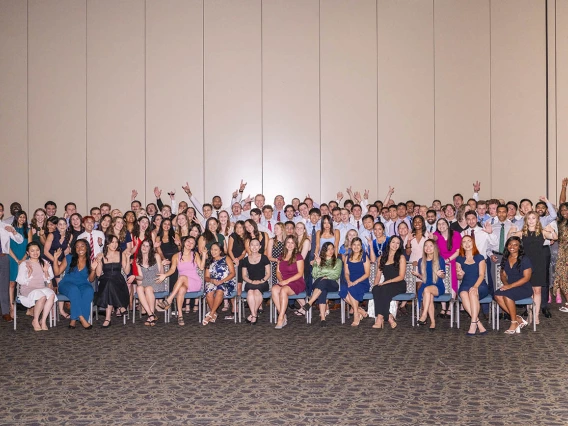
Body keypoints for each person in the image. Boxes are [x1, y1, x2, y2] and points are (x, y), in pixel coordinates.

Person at [508, 211, 556, 325]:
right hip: (526, 264)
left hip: (539, 263)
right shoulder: (522, 232)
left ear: (537, 220)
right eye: (529, 218)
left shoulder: (542, 232)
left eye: (533, 218)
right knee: (529, 291)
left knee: (537, 290)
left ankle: (536, 315)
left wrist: (551, 229)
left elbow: (555, 237)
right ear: (526, 220)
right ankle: (530, 313)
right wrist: (511, 231)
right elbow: (510, 238)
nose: (531, 220)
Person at [156, 236, 206, 326]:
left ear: (194, 246)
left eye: (192, 243)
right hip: (183, 283)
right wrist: (165, 275)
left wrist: (205, 255)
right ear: (184, 242)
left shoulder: (195, 254)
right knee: (182, 289)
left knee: (182, 277)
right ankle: (180, 315)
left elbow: (201, 267)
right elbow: (172, 270)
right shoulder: (176, 256)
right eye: (188, 241)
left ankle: (169, 300)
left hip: (194, 282)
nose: (190, 244)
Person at [52, 240, 95, 329]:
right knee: (74, 290)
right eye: (77, 246)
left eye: (82, 246)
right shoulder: (68, 258)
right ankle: (82, 318)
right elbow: (57, 272)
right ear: (74, 249)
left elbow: (91, 279)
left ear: (86, 247)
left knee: (89, 291)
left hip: (83, 284)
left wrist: (93, 269)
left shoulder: (90, 261)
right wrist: (55, 259)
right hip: (67, 284)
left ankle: (73, 319)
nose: (80, 248)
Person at [494, 237, 533, 334]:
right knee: (497, 295)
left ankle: (513, 322)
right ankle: (517, 318)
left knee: (507, 295)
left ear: (519, 247)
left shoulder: (525, 259)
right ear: (507, 246)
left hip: (524, 287)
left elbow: (526, 278)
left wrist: (510, 287)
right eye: (510, 244)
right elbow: (502, 275)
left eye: (515, 245)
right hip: (511, 286)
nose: (512, 247)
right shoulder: (506, 258)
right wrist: (507, 285)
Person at [15, 241, 57, 331]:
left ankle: (43, 320)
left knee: (51, 294)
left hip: (41, 288)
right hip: (28, 289)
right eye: (32, 251)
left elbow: (48, 279)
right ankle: (35, 320)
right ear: (28, 253)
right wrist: (29, 273)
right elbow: (21, 281)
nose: (35, 253)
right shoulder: (24, 264)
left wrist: (45, 271)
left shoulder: (44, 262)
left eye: (37, 250)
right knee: (42, 296)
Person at [301, 242, 342, 326]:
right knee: (323, 288)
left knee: (323, 281)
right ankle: (323, 318)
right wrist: (318, 265)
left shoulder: (338, 261)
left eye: (332, 249)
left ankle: (310, 302)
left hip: (332, 283)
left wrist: (326, 276)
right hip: (319, 283)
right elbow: (315, 275)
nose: (331, 251)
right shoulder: (318, 260)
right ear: (324, 251)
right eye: (328, 249)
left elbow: (336, 274)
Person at [456, 235, 489, 336]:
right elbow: (459, 277)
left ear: (473, 243)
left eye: (469, 241)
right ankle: (478, 323)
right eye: (464, 242)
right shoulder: (459, 259)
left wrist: (475, 287)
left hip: (479, 284)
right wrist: (460, 274)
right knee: (463, 294)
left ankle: (473, 324)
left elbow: (481, 275)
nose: (467, 244)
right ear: (462, 245)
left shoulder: (480, 257)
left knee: (472, 293)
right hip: (465, 284)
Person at [371, 236, 406, 329]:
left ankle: (380, 318)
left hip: (398, 284)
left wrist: (387, 282)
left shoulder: (401, 257)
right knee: (376, 289)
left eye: (398, 243)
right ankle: (388, 316)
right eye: (393, 242)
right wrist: (375, 287)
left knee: (384, 289)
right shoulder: (382, 257)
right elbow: (378, 275)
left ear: (400, 245)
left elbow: (401, 276)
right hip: (386, 284)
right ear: (389, 243)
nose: (395, 245)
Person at [272, 236, 306, 329]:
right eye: (288, 242)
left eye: (292, 243)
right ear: (285, 244)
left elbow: (300, 273)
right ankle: (283, 316)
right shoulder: (281, 256)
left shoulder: (298, 256)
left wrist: (286, 281)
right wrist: (281, 280)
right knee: (274, 289)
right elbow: (278, 272)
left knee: (283, 290)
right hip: (284, 281)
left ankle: (280, 318)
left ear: (295, 245)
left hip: (296, 281)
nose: (290, 245)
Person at [413, 240, 446, 331]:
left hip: (437, 285)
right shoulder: (421, 261)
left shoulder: (440, 259)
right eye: (426, 246)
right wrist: (418, 275)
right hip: (426, 285)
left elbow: (443, 275)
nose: (428, 248)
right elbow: (424, 278)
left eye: (431, 246)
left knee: (427, 290)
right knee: (428, 295)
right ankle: (433, 322)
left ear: (435, 248)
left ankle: (424, 315)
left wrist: (440, 274)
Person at [339, 237, 370, 327]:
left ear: (361, 246)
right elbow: (347, 273)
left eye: (358, 245)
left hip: (362, 282)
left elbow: (367, 274)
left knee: (351, 288)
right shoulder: (348, 257)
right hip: (350, 281)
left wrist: (355, 282)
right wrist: (348, 281)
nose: (356, 247)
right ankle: (359, 310)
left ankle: (356, 314)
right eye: (354, 245)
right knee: (343, 291)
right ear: (351, 246)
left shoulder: (364, 256)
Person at [202, 243, 236, 325]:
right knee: (209, 291)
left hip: (226, 281)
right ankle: (214, 313)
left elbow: (232, 273)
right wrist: (212, 281)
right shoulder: (209, 261)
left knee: (220, 290)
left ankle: (211, 314)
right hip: (213, 281)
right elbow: (206, 277)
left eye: (216, 250)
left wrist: (222, 281)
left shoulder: (226, 258)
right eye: (212, 249)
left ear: (220, 250)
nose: (213, 252)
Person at [433, 218, 461, 318]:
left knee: (452, 282)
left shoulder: (455, 234)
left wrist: (448, 260)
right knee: (441, 282)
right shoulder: (435, 235)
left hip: (453, 260)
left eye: (443, 223)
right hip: (440, 261)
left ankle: (450, 308)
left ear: (447, 225)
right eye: (439, 224)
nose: (441, 226)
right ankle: (443, 307)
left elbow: (458, 251)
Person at [134, 239, 164, 326]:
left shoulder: (156, 256)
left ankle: (150, 316)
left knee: (148, 289)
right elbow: (141, 276)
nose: (144, 247)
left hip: (156, 281)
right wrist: (135, 277)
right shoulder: (138, 259)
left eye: (147, 246)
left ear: (150, 248)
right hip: (145, 281)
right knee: (139, 288)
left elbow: (160, 271)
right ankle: (151, 314)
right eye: (143, 245)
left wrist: (162, 265)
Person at [241, 239, 271, 325]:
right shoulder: (245, 260)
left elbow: (268, 273)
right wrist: (251, 281)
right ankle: (254, 314)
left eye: (257, 245)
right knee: (250, 292)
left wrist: (261, 281)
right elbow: (244, 276)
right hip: (250, 282)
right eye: (252, 245)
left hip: (263, 282)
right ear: (249, 247)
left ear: (260, 247)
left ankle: (252, 315)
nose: (254, 247)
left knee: (257, 291)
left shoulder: (264, 258)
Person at [0, 220, 24, 321]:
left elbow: (20, 240)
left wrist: (13, 232)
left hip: (3, 257)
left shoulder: (5, 226)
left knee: (4, 285)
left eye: (0, 210)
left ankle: (5, 311)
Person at [8, 211, 28, 317]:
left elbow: (30, 246)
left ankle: (29, 307)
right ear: (16, 218)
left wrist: (24, 259)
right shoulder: (10, 229)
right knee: (12, 283)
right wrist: (16, 260)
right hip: (12, 258)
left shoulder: (28, 230)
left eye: (24, 217)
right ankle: (11, 307)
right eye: (20, 217)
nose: (22, 219)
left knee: (25, 283)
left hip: (25, 258)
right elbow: (8, 246)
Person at [554, 203, 568, 312]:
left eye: (566, 210)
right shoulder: (561, 222)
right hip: (562, 253)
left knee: (564, 279)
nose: (564, 212)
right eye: (562, 210)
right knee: (561, 279)